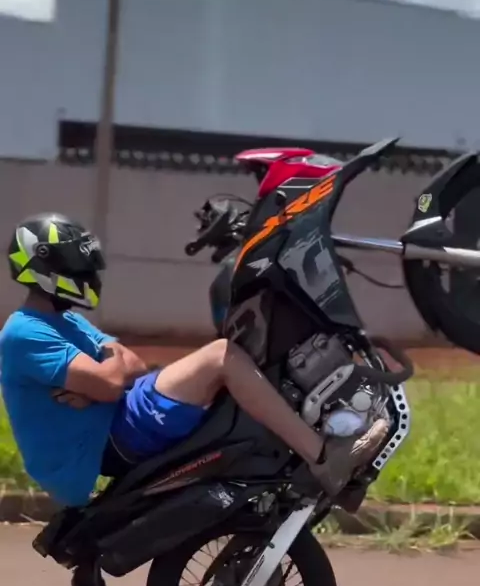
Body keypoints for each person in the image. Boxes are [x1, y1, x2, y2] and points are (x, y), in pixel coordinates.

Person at [0, 213, 388, 509]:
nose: (86, 274)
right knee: (222, 357)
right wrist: (106, 375)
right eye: (76, 266)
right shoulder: (25, 332)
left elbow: (133, 365)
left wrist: (104, 374)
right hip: (109, 439)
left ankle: (322, 439)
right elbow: (114, 382)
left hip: (118, 417)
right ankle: (324, 457)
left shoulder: (67, 322)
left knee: (249, 357)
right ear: (46, 269)